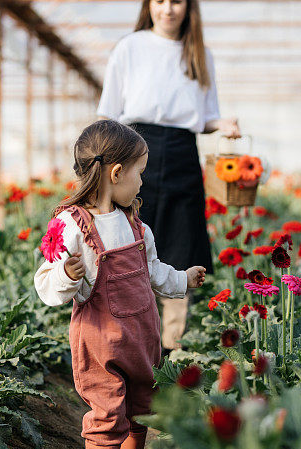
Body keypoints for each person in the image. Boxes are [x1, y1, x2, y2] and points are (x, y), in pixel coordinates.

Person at [34, 120, 206, 449]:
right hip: (100, 339)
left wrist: (182, 280)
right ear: (116, 173)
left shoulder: (135, 225)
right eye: (140, 173)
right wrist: (67, 276)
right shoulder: (72, 225)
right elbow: (45, 283)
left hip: (141, 336)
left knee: (141, 403)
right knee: (108, 411)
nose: (142, 183)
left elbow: (153, 271)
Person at [97, 0, 240, 357]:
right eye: (160, 0)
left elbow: (206, 115)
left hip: (181, 152)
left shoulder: (200, 54)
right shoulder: (131, 47)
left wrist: (222, 124)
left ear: (189, 7)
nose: (168, 9)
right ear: (149, 5)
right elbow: (108, 112)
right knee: (128, 241)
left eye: (177, 1)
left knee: (179, 245)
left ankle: (170, 349)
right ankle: (129, 340)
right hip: (134, 147)